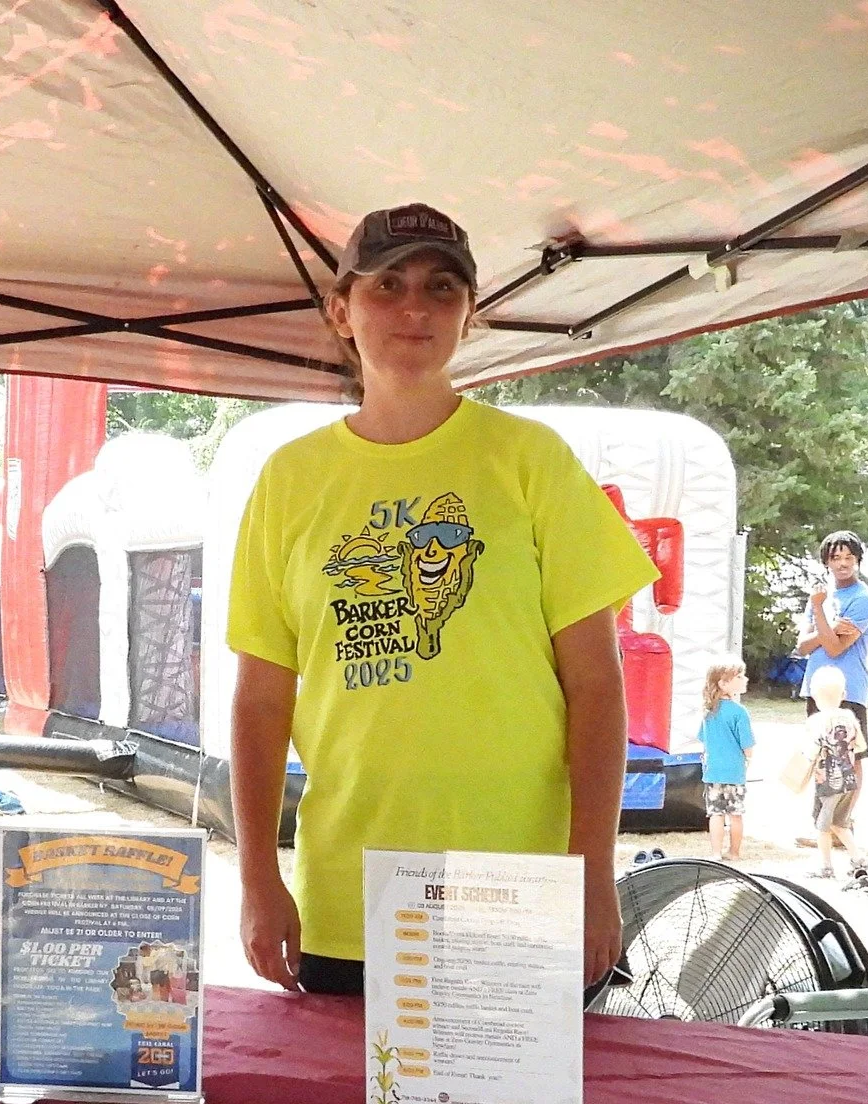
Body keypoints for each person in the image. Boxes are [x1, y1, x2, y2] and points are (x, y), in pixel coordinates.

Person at [226, 203, 658, 994]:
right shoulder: (288, 479)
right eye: (386, 285)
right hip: (348, 900)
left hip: (519, 893)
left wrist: (593, 874)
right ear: (340, 310)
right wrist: (258, 878)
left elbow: (597, 686)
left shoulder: (531, 461)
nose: (415, 307)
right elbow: (260, 702)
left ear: (471, 315)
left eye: (442, 286)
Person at [794, 530, 868, 827]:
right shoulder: (822, 595)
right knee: (819, 755)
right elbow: (802, 645)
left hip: (848, 690)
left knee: (851, 757)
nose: (842, 564)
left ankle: (842, 823)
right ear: (826, 562)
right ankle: (820, 824)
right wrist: (826, 626)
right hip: (816, 688)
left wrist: (818, 610)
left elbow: (834, 646)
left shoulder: (863, 599)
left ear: (857, 560)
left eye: (848, 557)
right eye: (836, 558)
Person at [804, 666, 865, 880]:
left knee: (823, 824)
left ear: (813, 695)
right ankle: (858, 858)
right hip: (849, 778)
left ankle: (826, 866)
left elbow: (811, 749)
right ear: (844, 695)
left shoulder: (816, 721)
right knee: (840, 822)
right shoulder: (850, 718)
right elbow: (859, 746)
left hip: (828, 780)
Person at [697, 661, 754, 860]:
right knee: (736, 814)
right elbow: (747, 745)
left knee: (715, 814)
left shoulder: (708, 712)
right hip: (735, 772)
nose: (744, 679)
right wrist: (749, 759)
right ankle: (734, 852)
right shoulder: (739, 712)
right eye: (739, 677)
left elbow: (703, 740)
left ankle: (715, 853)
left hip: (713, 772)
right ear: (723, 683)